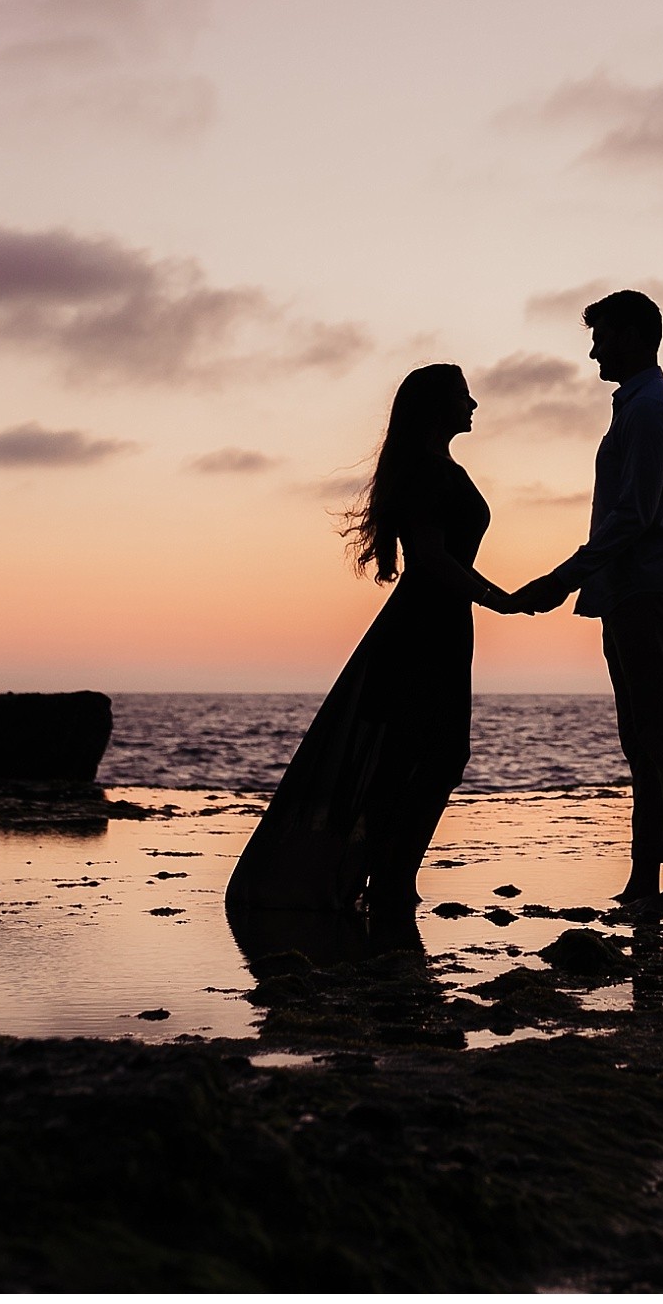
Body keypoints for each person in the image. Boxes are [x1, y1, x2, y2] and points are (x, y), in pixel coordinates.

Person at [225, 364, 517, 915]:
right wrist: (494, 596)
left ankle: (390, 878)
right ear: (436, 407)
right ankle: (387, 882)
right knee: (422, 754)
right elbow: (429, 557)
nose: (474, 404)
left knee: (427, 755)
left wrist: (483, 598)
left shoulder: (437, 467)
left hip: (441, 622)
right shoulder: (427, 472)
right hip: (423, 626)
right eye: (463, 395)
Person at [508, 290, 663, 917]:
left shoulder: (649, 407)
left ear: (632, 336)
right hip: (630, 586)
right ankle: (647, 874)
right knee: (640, 735)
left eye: (601, 336)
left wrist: (563, 576)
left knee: (661, 731)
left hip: (648, 583)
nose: (594, 349)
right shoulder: (638, 405)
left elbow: (636, 514)